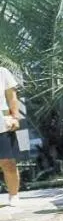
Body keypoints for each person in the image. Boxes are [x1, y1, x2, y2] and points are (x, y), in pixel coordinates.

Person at [0, 64, 23, 206]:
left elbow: (12, 97)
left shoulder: (2, 72)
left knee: (8, 162)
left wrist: (15, 117)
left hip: (2, 124)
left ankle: (13, 195)